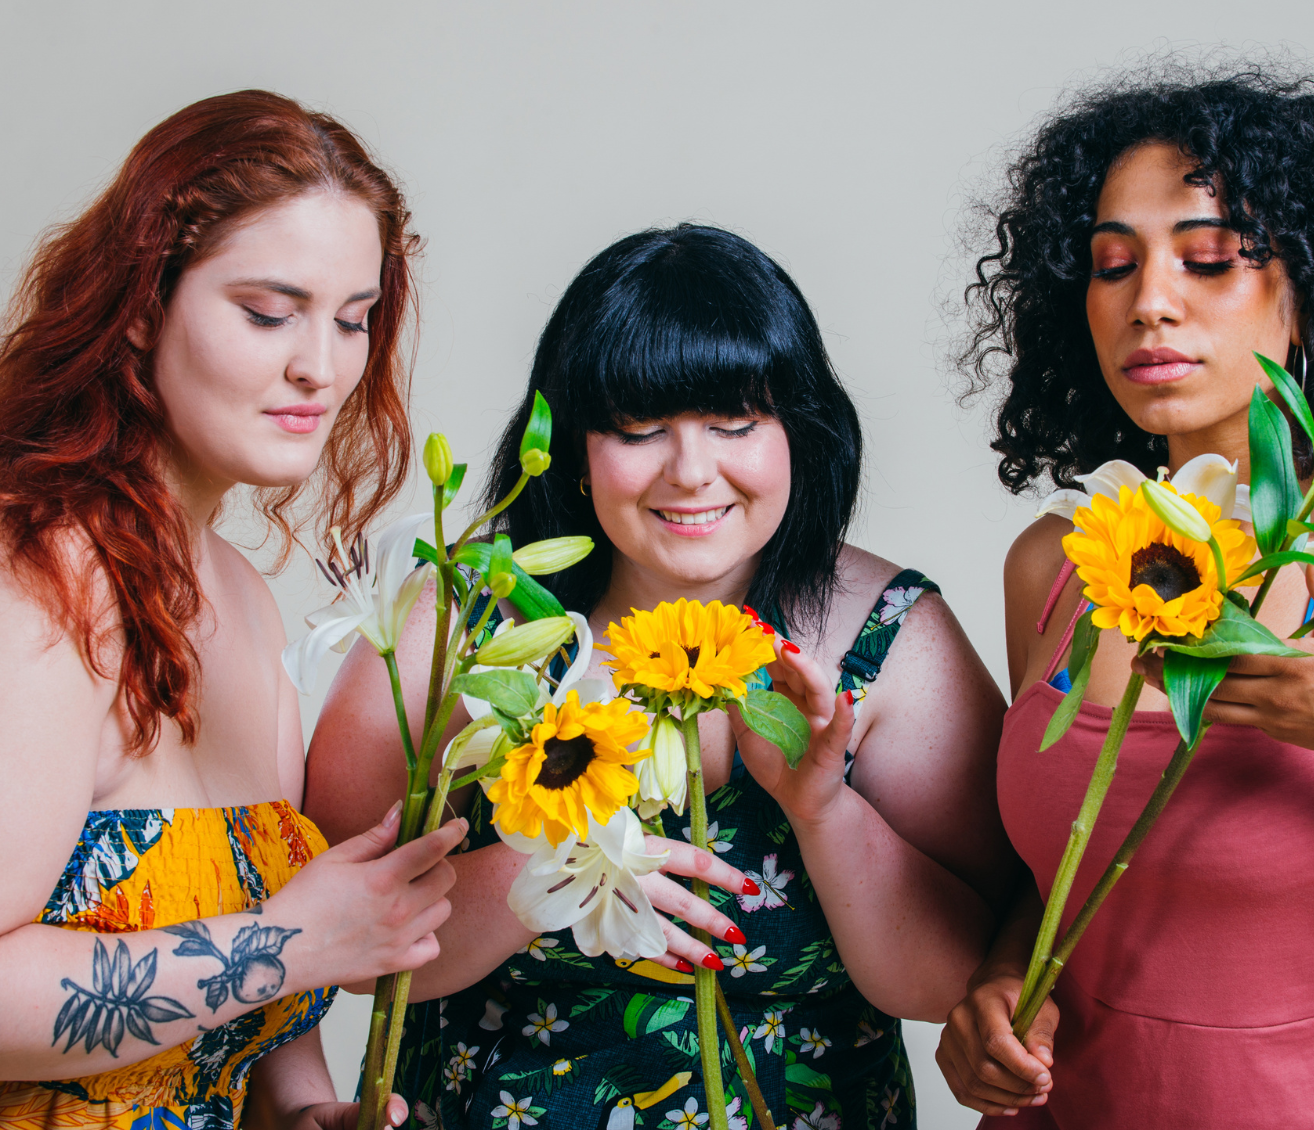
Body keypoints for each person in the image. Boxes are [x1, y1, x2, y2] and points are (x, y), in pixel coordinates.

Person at [304, 224, 1014, 1130]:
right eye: (638, 428)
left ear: (799, 429)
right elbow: (342, 955)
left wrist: (821, 809)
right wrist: (557, 862)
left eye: (734, 423)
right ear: (566, 444)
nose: (690, 472)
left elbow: (960, 984)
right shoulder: (454, 623)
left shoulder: (892, 639)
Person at [935, 67, 1314, 1127]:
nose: (1150, 299)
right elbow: (1077, 857)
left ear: (1312, 291)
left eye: (1209, 259)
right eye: (1113, 264)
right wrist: (998, 982)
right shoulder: (1059, 564)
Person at [0, 91, 468, 1130]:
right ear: (144, 305)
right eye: (268, 311)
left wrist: (306, 1113)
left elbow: (235, 1021)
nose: (321, 367)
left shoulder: (241, 599)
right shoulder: (23, 564)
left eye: (352, 318)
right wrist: (292, 944)